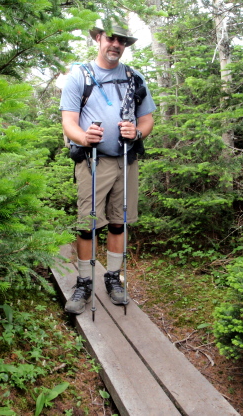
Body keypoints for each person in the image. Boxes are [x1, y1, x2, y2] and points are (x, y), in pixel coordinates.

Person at [60, 23, 156, 314]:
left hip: (126, 160)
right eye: (111, 38)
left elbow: (148, 120)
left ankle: (113, 278)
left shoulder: (133, 77)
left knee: (119, 222)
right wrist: (83, 137)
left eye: (122, 40)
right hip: (93, 161)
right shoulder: (80, 76)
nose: (116, 44)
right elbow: (68, 121)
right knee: (88, 225)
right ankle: (84, 282)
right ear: (99, 39)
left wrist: (137, 133)